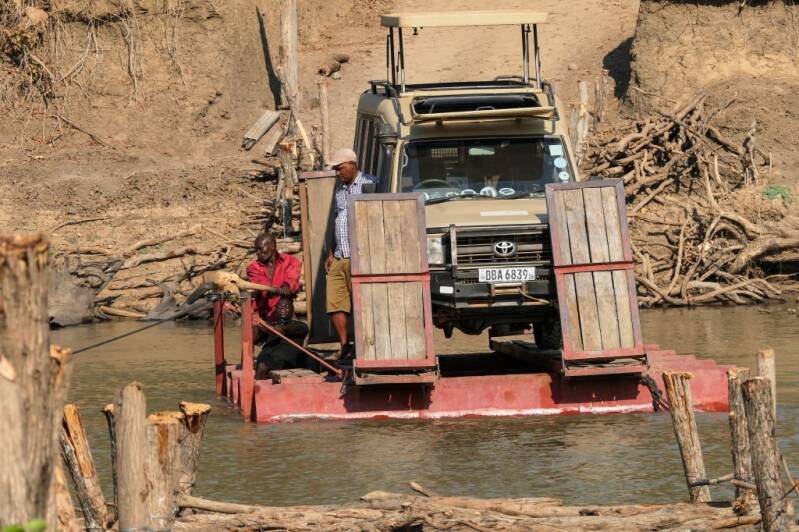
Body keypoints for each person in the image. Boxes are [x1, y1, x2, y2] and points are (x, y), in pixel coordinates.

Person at [325, 148, 377, 360]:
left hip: (360, 255)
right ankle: (345, 345)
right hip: (339, 255)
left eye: (340, 168)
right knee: (334, 302)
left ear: (352, 164)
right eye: (336, 169)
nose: (338, 172)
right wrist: (330, 252)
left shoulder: (370, 184)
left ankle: (365, 346)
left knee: (362, 303)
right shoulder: (339, 190)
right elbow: (337, 220)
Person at [246, 232, 301, 322]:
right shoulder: (252, 268)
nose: (258, 253)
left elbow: (293, 279)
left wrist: (288, 286)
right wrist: (270, 289)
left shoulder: (290, 261)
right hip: (261, 316)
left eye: (260, 249)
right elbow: (260, 282)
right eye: (256, 250)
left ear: (273, 247)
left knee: (301, 329)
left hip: (285, 315)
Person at [253, 296, 309, 379]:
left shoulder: (300, 325)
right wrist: (255, 327)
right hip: (267, 357)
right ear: (276, 311)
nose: (283, 308)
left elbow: (295, 329)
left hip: (287, 360)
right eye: (280, 307)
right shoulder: (269, 327)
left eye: (286, 307)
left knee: (265, 365)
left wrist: (282, 328)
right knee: (262, 364)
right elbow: (256, 340)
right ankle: (256, 387)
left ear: (292, 310)